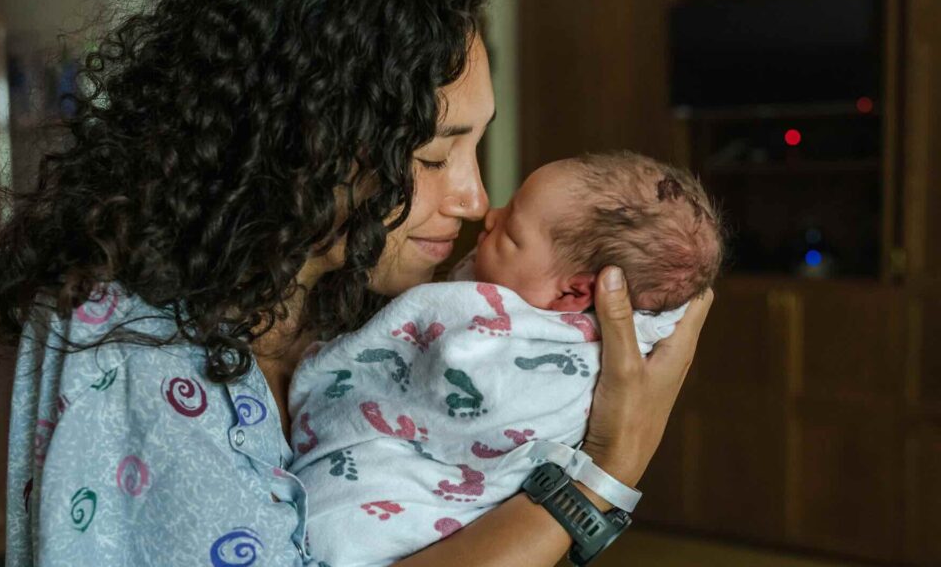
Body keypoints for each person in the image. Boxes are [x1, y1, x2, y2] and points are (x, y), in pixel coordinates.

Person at [0, 0, 712, 565]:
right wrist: (603, 477)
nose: (476, 202)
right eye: (437, 157)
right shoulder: (143, 348)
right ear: (309, 144)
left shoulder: (352, 308)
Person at [287, 152, 723, 566]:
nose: (488, 214)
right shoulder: (534, 300)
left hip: (383, 525)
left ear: (573, 292)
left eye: (511, 234)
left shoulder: (556, 357)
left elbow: (456, 376)